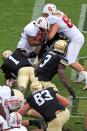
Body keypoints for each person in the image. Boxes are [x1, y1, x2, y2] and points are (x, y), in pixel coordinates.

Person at [42, 3, 87, 90]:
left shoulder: (53, 20)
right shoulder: (59, 13)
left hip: (76, 39)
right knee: (69, 58)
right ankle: (82, 76)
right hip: (76, 37)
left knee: (69, 61)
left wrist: (45, 33)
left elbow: (50, 36)